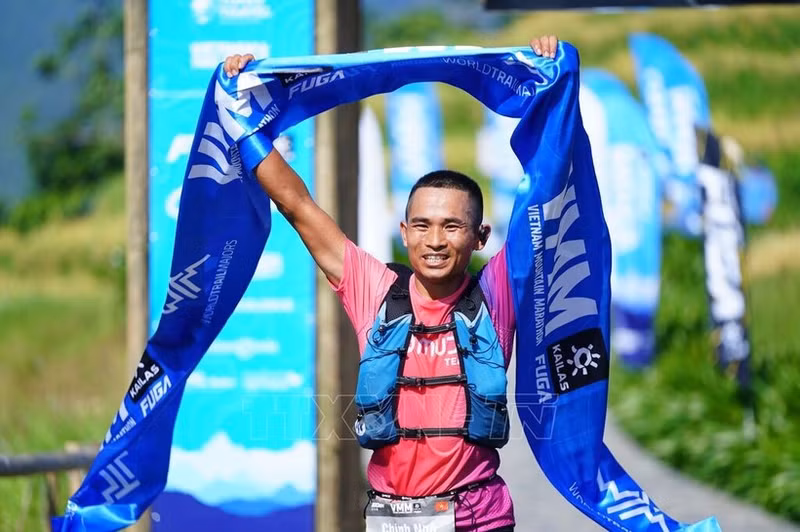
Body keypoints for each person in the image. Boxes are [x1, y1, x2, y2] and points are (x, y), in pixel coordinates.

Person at [224, 36, 559, 532]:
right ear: (404, 233)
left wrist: (550, 86)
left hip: (480, 518)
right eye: (422, 225)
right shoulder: (373, 289)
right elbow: (297, 206)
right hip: (392, 519)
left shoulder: (496, 294)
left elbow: (546, 187)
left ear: (481, 237)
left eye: (452, 226)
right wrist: (241, 113)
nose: (435, 240)